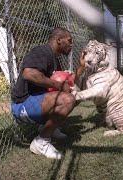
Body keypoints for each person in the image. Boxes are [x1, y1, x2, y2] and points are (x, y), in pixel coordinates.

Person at [11, 27, 85, 159]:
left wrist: (81, 67)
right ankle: (41, 142)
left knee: (74, 96)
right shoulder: (41, 51)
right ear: (59, 40)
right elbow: (29, 74)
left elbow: (69, 84)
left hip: (38, 102)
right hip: (22, 105)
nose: (71, 44)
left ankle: (47, 128)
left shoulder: (55, 59)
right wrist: (59, 85)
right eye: (69, 40)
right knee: (67, 100)